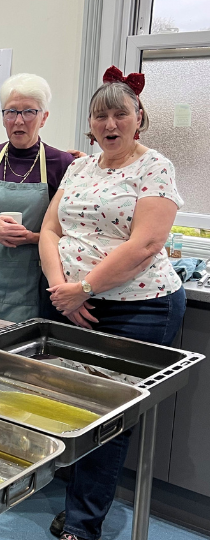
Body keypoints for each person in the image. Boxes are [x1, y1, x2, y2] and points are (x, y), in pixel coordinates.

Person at [39, 67, 187, 540]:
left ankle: (81, 525)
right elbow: (49, 230)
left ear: (137, 117)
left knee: (108, 414)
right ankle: (77, 501)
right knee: (72, 406)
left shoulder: (155, 167)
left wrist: (83, 289)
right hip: (72, 304)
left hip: (139, 307)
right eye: (100, 115)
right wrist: (62, 290)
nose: (110, 124)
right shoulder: (80, 167)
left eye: (119, 114)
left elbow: (145, 244)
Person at [0, 73, 74, 322]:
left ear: (44, 118)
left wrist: (33, 238)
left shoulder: (61, 163)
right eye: (11, 112)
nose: (18, 121)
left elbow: (69, 234)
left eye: (29, 112)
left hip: (34, 282)